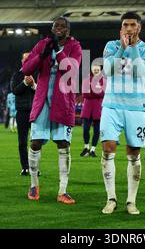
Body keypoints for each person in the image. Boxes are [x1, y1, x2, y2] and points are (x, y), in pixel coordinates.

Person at [22, 17, 82, 204]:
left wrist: (58, 51)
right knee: (36, 142)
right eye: (56, 26)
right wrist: (42, 55)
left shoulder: (75, 47)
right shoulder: (42, 44)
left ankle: (62, 191)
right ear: (52, 28)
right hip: (42, 101)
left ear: (68, 30)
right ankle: (33, 185)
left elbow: (71, 70)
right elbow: (26, 69)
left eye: (63, 26)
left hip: (63, 101)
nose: (59, 29)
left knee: (63, 143)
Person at [100, 12, 145, 215]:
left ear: (139, 27)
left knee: (134, 154)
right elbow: (107, 71)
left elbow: (140, 72)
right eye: (126, 24)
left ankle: (131, 202)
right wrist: (122, 48)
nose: (129, 28)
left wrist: (131, 48)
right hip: (112, 105)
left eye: (133, 24)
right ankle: (111, 199)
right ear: (121, 28)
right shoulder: (111, 46)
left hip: (136, 108)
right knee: (108, 148)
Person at [11, 51, 37, 176]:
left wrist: (33, 85)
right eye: (25, 59)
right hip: (21, 112)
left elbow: (42, 92)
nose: (27, 61)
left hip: (35, 112)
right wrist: (25, 83)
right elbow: (15, 90)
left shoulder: (38, 74)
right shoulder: (17, 75)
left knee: (36, 142)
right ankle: (25, 167)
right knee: (22, 142)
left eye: (29, 59)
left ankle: (35, 167)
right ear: (22, 61)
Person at [80, 63, 106, 158]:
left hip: (98, 108)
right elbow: (85, 94)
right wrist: (96, 91)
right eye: (94, 69)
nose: (95, 70)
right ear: (91, 69)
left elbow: (103, 93)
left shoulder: (103, 80)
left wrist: (91, 90)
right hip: (87, 108)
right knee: (86, 129)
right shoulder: (87, 79)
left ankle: (93, 150)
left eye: (97, 69)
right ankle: (86, 147)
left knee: (97, 130)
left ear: (100, 70)